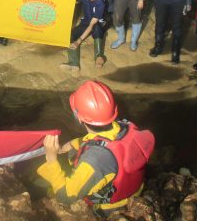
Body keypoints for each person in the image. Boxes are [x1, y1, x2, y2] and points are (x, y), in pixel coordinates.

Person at [37, 81, 155, 216]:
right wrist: (69, 145)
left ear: (79, 118)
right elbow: (106, 142)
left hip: (108, 208)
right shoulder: (125, 125)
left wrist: (51, 157)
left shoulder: (95, 160)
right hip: (133, 190)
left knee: (53, 195)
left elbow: (66, 196)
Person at [62, 0, 108, 70]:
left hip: (97, 24)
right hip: (85, 22)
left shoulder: (100, 3)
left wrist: (79, 41)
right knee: (70, 35)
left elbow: (91, 25)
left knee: (96, 28)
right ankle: (74, 63)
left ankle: (98, 55)